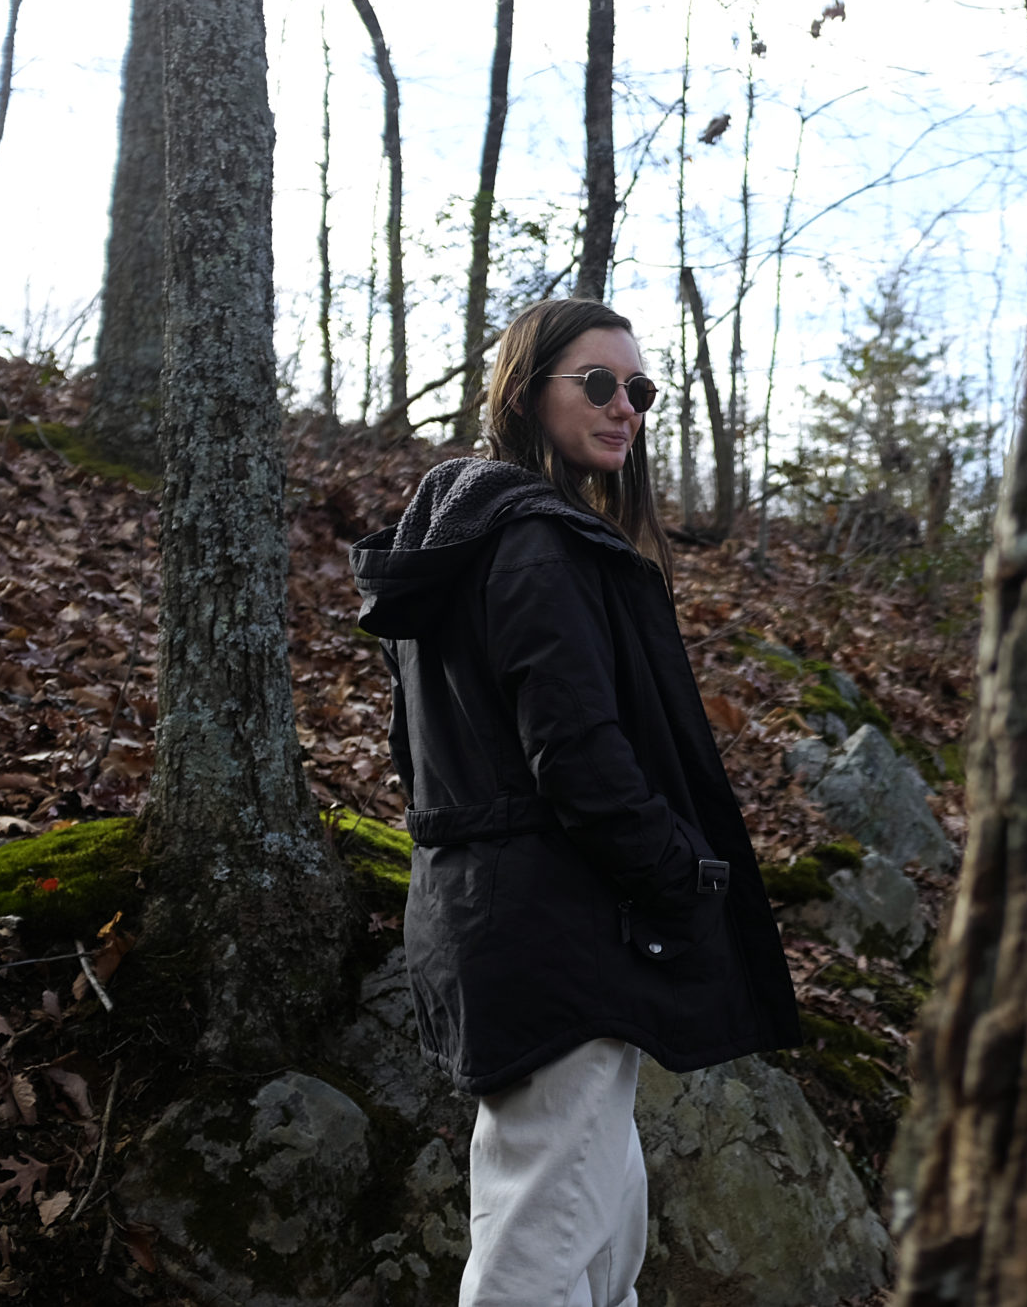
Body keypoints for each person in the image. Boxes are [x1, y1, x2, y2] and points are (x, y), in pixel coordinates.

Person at [349, 297, 801, 1306]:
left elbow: (412, 759)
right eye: (596, 383)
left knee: (596, 1233)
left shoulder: (466, 544)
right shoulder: (532, 544)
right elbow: (579, 757)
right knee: (544, 1253)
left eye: (637, 389)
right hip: (552, 930)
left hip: (503, 919)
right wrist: (680, 873)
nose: (624, 407)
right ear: (524, 393)